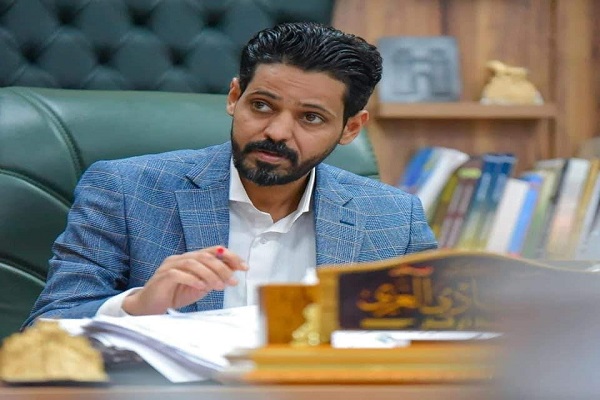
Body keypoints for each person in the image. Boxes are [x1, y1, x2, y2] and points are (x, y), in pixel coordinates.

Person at [24, 22, 437, 325]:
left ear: (350, 128)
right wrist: (137, 306)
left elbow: (436, 340)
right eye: (262, 105)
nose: (277, 132)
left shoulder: (393, 218)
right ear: (235, 97)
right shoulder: (124, 190)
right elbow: (46, 327)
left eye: (310, 117)